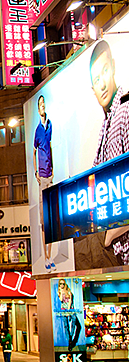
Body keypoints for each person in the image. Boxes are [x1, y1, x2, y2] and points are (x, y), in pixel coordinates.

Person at [88, 40, 129, 264]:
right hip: (117, 251)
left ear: (113, 67)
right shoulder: (106, 126)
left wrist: (110, 234)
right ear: (92, 89)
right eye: (96, 80)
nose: (102, 84)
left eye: (105, 71)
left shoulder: (125, 110)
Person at [33, 94, 55, 272]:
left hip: (50, 175)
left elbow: (51, 147)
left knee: (52, 217)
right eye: (39, 104)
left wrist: (53, 168)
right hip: (42, 176)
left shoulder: (49, 125)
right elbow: (34, 151)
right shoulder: (37, 130)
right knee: (42, 219)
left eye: (43, 103)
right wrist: (36, 172)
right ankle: (46, 258)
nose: (42, 106)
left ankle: (50, 255)